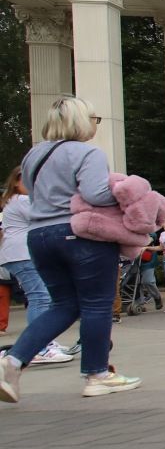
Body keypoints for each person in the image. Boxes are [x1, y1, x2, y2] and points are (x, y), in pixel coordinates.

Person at [0, 97, 142, 402]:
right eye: (94, 118)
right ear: (81, 121)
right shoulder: (87, 153)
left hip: (39, 236)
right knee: (97, 304)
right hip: (80, 234)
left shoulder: (33, 156)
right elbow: (96, 193)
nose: (95, 124)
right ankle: (97, 375)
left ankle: (12, 362)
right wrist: (127, 189)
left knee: (63, 304)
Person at [1, 165, 76, 368]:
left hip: (17, 253)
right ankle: (40, 348)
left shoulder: (12, 201)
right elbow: (45, 215)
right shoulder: (23, 201)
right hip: (21, 253)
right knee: (40, 297)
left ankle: (42, 344)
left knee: (42, 296)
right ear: (16, 182)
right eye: (26, 181)